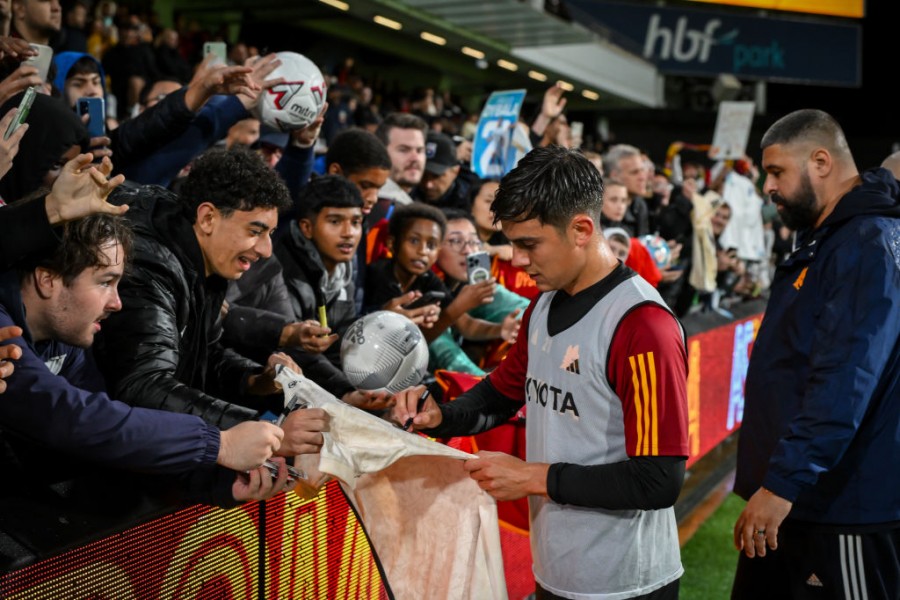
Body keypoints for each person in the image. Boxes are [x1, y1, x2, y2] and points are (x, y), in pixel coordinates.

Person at [392, 145, 689, 600]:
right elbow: (504, 392)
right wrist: (443, 416)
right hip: (556, 570)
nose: (516, 260)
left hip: (627, 583)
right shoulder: (544, 303)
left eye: (529, 244)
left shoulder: (643, 324)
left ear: (582, 230)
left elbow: (659, 479)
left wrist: (535, 478)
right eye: (512, 243)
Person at [0, 212, 290, 505]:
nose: (117, 302)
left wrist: (220, 480)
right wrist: (219, 445)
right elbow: (74, 418)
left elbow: (112, 437)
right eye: (105, 282)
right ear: (48, 280)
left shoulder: (67, 340)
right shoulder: (3, 333)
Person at [731, 109, 900, 599]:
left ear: (821, 162)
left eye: (776, 171)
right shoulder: (834, 238)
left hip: (841, 507)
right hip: (808, 498)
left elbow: (845, 379)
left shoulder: (865, 242)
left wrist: (783, 482)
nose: (767, 186)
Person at [92, 146, 329, 457]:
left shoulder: (203, 256)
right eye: (255, 231)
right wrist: (265, 431)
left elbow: (203, 354)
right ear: (207, 218)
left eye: (270, 233)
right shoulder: (147, 266)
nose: (266, 250)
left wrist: (255, 379)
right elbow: (145, 387)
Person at [604, 143, 651, 237]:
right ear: (615, 176)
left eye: (643, 170)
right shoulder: (595, 207)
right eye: (635, 172)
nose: (643, 177)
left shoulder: (640, 205)